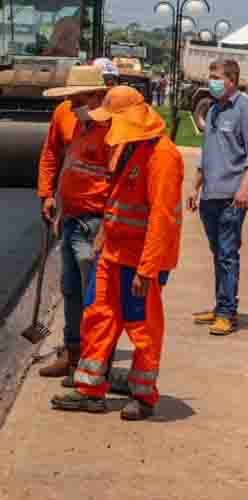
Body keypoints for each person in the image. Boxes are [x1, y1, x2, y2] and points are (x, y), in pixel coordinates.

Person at [52, 86, 184, 420]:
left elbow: (162, 219)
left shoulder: (163, 156)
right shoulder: (131, 149)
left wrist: (147, 269)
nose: (107, 127)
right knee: (98, 316)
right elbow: (117, 201)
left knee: (142, 326)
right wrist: (101, 244)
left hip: (140, 260)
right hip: (112, 252)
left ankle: (143, 395)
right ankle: (90, 390)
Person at [36, 64, 112, 383]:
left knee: (94, 295)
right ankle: (72, 352)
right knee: (70, 289)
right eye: (70, 99)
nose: (72, 105)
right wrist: (47, 195)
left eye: (78, 99)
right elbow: (52, 155)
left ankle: (94, 361)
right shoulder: (66, 116)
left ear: (97, 96)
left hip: (96, 222)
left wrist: (108, 226)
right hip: (70, 217)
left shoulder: (112, 126)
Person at [187, 59, 248, 335]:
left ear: (231, 80)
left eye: (215, 76)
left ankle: (227, 313)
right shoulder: (212, 111)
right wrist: (195, 187)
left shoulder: (244, 109)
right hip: (210, 195)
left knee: (227, 254)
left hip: (232, 197)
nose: (210, 81)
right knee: (218, 254)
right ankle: (220, 304)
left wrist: (244, 189)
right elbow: (206, 152)